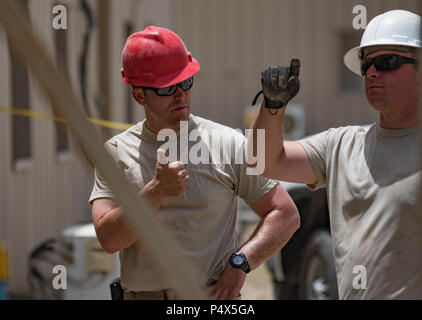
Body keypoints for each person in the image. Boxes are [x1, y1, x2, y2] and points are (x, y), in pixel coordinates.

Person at [89, 26, 300, 300]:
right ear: (139, 95)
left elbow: (284, 214)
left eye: (186, 82)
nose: (181, 95)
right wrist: (156, 191)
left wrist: (241, 264)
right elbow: (109, 240)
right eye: (167, 88)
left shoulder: (227, 143)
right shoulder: (115, 153)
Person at [248, 10, 422, 299]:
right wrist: (272, 105)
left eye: (387, 62)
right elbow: (263, 160)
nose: (372, 73)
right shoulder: (342, 144)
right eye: (367, 65)